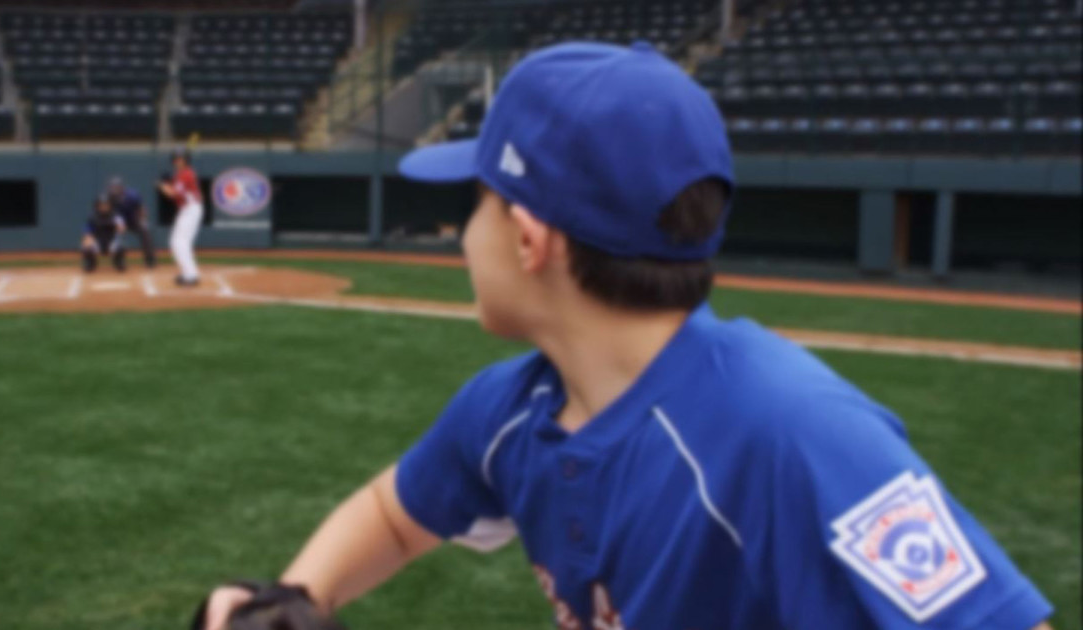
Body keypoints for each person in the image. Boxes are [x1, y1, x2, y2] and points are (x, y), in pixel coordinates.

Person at [196, 42, 1054, 630]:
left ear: (530, 241)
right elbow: (393, 513)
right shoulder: (510, 406)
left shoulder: (789, 432)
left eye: (475, 206)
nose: (462, 235)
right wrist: (296, 597)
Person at [159, 148, 202, 287]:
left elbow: (173, 194)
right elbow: (176, 189)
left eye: (180, 159)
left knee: (179, 242)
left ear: (185, 160)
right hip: (187, 210)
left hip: (191, 209)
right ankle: (189, 273)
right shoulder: (181, 174)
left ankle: (190, 275)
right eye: (176, 159)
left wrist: (162, 186)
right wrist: (168, 183)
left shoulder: (186, 174)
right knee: (179, 242)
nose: (177, 161)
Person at [106, 176, 155, 269]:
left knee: (145, 231)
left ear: (121, 187)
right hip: (120, 220)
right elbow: (111, 213)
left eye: (115, 187)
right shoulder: (110, 197)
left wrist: (143, 220)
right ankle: (119, 261)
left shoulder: (132, 195)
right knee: (118, 236)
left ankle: (150, 260)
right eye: (112, 187)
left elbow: (142, 209)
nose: (113, 189)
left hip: (134, 219)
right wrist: (119, 223)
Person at [80, 195, 125, 273]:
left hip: (111, 241)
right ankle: (91, 264)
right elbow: (87, 231)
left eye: (106, 204)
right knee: (86, 244)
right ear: (98, 206)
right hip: (97, 242)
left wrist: (119, 226)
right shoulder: (92, 217)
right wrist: (88, 238)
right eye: (102, 205)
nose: (104, 207)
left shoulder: (115, 216)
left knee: (121, 245)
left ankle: (118, 263)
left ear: (110, 205)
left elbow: (121, 228)